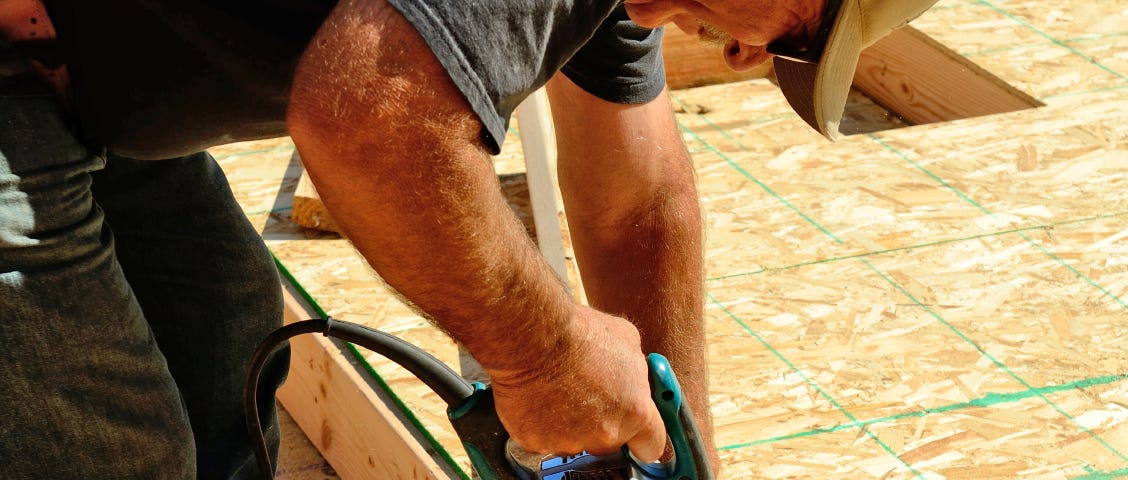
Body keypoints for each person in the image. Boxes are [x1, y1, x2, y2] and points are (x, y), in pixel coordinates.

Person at [0, 0, 936, 477]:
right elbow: (365, 118)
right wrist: (544, 360)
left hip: (90, 91)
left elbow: (639, 204)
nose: (743, 57)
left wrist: (672, 452)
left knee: (222, 339)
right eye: (797, 38)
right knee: (119, 451)